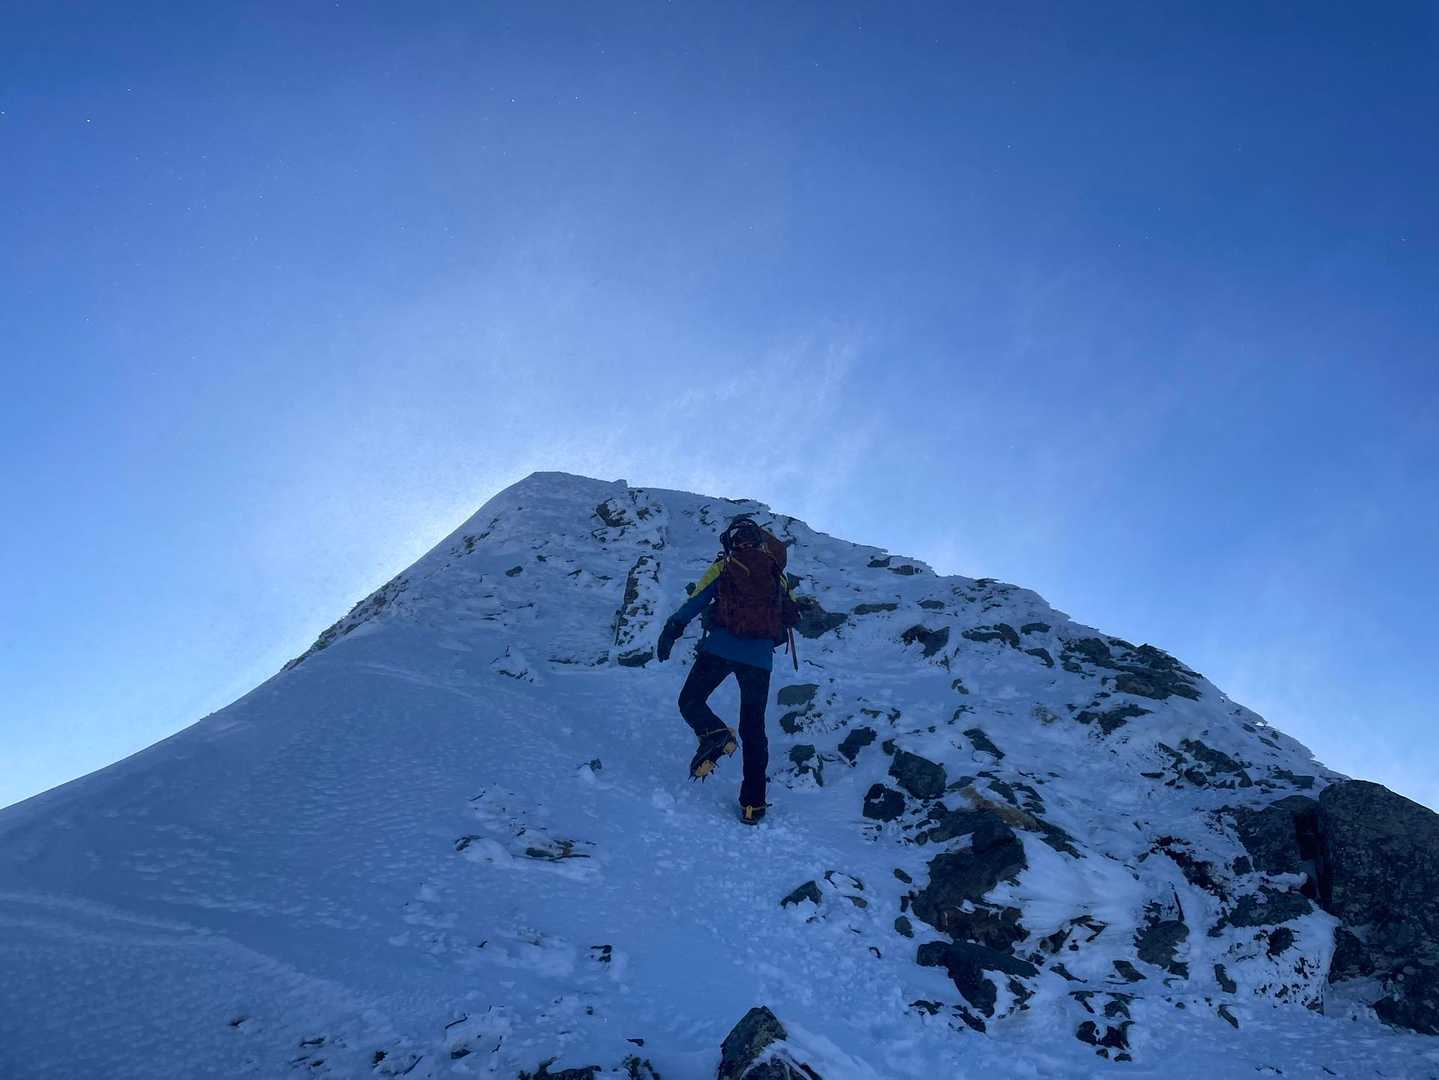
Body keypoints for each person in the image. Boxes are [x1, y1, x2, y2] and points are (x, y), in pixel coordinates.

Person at [656, 515, 800, 825]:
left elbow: (697, 600)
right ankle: (753, 805)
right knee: (753, 729)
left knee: (690, 701)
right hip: (759, 659)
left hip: (720, 648)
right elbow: (791, 614)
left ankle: (717, 734)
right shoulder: (777, 574)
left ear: (732, 543)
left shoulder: (724, 566)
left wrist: (673, 628)